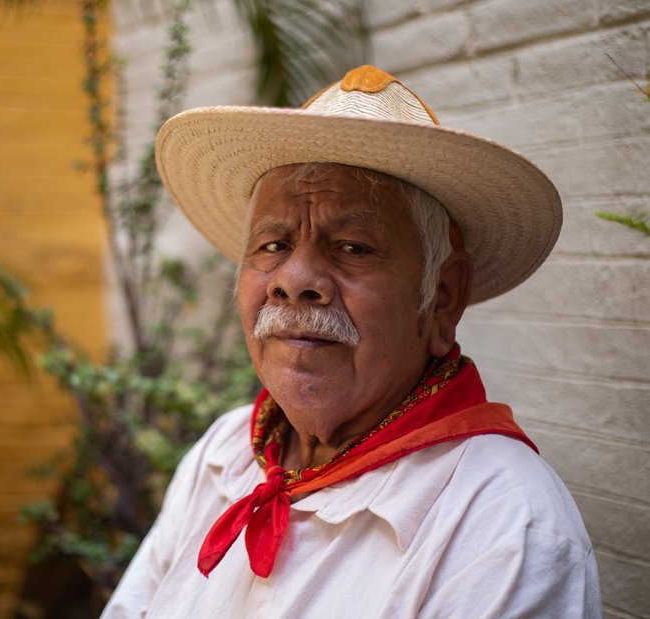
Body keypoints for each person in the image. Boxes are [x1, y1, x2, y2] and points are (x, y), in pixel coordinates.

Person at [101, 65, 601, 618]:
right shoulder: (223, 455)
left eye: (354, 247)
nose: (294, 279)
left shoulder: (503, 523)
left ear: (442, 297)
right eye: (272, 244)